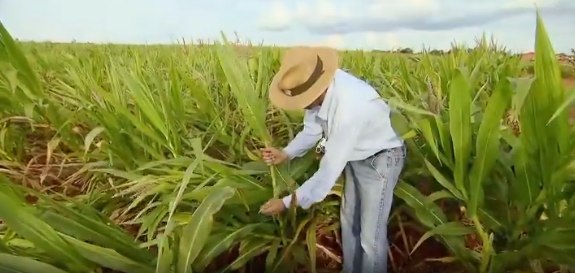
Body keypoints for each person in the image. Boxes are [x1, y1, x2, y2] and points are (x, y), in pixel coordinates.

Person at [258, 46, 406, 273]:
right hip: (357, 154)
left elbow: (327, 173)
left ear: (315, 91)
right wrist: (286, 152)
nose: (301, 104)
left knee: (370, 235)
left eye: (302, 99)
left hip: (381, 159)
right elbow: (313, 128)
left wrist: (287, 203)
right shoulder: (320, 87)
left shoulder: (349, 108)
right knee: (349, 221)